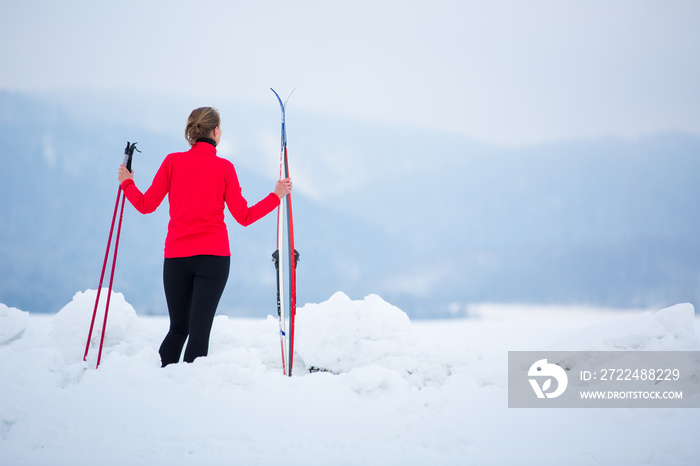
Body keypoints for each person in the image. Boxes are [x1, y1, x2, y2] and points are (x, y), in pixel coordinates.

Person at [117, 107, 292, 367]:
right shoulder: (224, 168)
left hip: (176, 258)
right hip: (214, 259)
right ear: (216, 132)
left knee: (178, 329)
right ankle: (189, 394)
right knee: (199, 333)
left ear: (192, 132)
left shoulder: (172, 162)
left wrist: (127, 182)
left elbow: (145, 205)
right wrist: (275, 195)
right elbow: (244, 217)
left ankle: (156, 384)